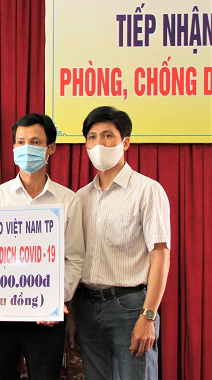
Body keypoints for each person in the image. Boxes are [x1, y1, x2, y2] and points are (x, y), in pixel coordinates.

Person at [0, 113, 85, 380]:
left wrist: (54, 300)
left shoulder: (68, 200)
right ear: (13, 147)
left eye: (36, 142)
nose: (27, 148)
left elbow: (74, 258)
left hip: (45, 317)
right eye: (21, 141)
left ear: (51, 148)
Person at [70, 106, 170, 380]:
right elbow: (74, 257)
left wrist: (148, 316)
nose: (99, 144)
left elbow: (160, 256)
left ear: (125, 142)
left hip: (130, 307)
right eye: (92, 137)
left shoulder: (147, 191)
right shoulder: (80, 198)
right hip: (88, 308)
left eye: (108, 136)